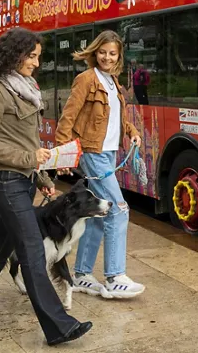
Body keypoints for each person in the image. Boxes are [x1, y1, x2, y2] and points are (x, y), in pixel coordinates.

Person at [0, 28, 92, 346]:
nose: (36, 63)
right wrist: (29, 157)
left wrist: (41, 177)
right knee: (31, 252)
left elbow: (24, 141)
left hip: (24, 183)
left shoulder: (26, 88)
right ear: (14, 55)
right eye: (32, 56)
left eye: (38, 57)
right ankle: (59, 326)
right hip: (6, 185)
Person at [55, 30, 145, 299]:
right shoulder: (86, 79)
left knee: (97, 215)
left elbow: (116, 117)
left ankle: (82, 275)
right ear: (95, 52)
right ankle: (115, 276)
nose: (107, 57)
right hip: (92, 152)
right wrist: (62, 152)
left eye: (112, 53)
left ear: (118, 56)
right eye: (102, 52)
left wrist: (131, 131)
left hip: (108, 154)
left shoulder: (112, 82)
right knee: (118, 209)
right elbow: (68, 117)